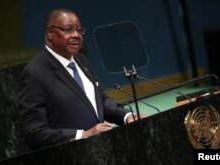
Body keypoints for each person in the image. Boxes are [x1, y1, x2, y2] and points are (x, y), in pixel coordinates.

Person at [18, 8, 146, 149]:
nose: (76, 35)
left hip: (101, 150)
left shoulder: (81, 61)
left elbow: (100, 101)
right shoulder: (35, 73)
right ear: (50, 33)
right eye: (68, 29)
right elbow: (33, 132)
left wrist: (126, 116)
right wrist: (83, 135)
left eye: (79, 30)